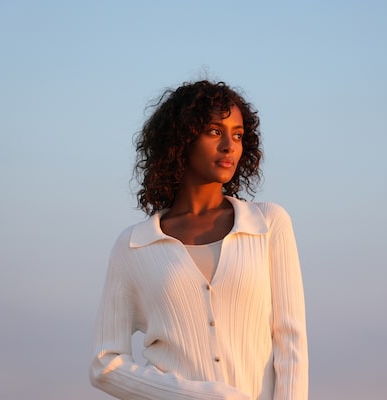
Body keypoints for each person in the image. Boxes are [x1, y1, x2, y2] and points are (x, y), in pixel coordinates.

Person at [89, 80, 308, 400]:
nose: (229, 146)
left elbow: (291, 344)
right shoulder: (134, 245)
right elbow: (104, 364)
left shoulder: (268, 224)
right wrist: (197, 395)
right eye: (215, 131)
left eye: (237, 134)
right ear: (182, 139)